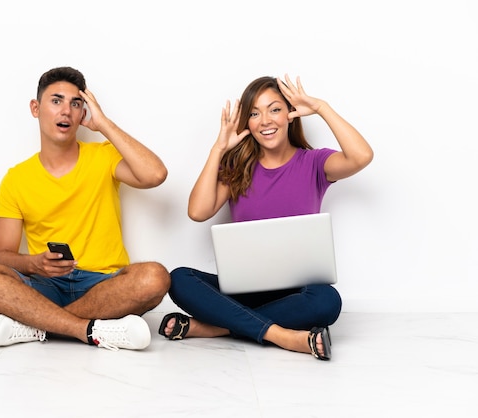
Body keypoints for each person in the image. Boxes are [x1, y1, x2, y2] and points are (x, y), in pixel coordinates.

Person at [158, 74, 373, 360]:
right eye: (255, 113)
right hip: (244, 287)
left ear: (290, 115)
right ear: (247, 122)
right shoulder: (237, 167)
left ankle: (216, 328)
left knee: (327, 302)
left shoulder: (314, 162)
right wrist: (219, 148)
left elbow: (362, 156)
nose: (265, 121)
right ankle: (282, 335)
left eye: (274, 109)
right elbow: (197, 212)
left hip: (297, 291)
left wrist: (321, 107)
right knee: (179, 279)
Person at [0, 67, 170, 351]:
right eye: (56, 101)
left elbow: (155, 175)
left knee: (155, 277)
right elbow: (1, 255)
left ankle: (37, 326)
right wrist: (34, 264)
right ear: (36, 108)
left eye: (76, 103)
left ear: (84, 113)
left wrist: (104, 123)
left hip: (103, 285)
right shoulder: (16, 178)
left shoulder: (103, 156)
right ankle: (88, 329)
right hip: (44, 286)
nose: (66, 111)